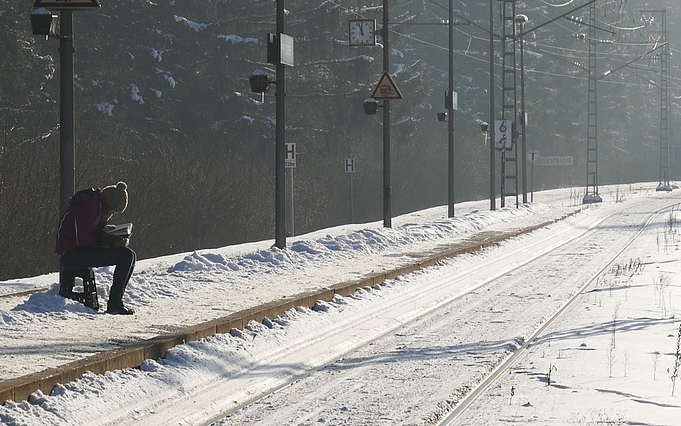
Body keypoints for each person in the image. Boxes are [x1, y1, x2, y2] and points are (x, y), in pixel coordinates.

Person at [56, 181, 136, 315]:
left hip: (78, 250)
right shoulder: (91, 207)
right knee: (126, 256)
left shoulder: (95, 205)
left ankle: (116, 301)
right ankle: (115, 303)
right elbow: (82, 239)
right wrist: (106, 241)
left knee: (130, 255)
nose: (112, 214)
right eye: (112, 211)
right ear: (109, 204)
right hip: (72, 253)